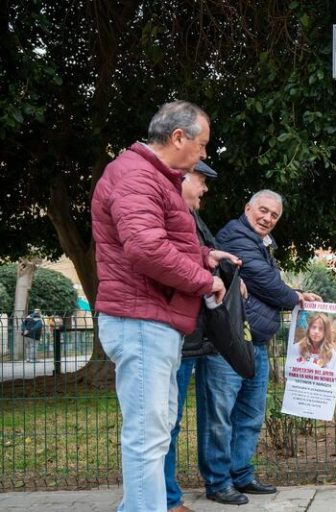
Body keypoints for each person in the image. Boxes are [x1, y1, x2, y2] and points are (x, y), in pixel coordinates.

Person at [91, 100, 240, 512]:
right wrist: (203, 279)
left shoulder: (151, 177)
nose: (204, 154)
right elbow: (146, 248)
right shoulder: (137, 176)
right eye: (203, 144)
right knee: (147, 435)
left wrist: (203, 256)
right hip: (141, 319)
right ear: (178, 137)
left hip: (153, 319)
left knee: (154, 433)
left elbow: (162, 241)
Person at [199, 190, 321, 505]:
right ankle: (218, 482)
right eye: (262, 211)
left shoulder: (259, 242)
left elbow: (265, 282)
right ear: (247, 208)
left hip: (256, 341)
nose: (267, 218)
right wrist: (295, 297)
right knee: (220, 415)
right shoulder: (237, 236)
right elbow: (265, 281)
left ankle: (241, 474)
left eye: (273, 215)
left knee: (251, 414)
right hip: (229, 341)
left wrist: (290, 291)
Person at [163, 160, 220, 512]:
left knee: (170, 419)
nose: (204, 189)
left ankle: (165, 496)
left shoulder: (192, 219)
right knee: (165, 421)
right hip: (176, 337)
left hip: (191, 336)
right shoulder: (172, 216)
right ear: (181, 178)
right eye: (200, 181)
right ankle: (167, 499)